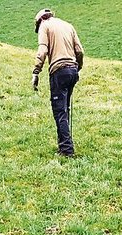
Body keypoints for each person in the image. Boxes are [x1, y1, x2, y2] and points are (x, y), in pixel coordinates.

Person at [30, 8, 84, 157]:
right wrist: (77, 67)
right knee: (65, 109)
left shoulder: (44, 26)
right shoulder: (68, 25)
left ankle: (66, 150)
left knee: (59, 111)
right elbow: (79, 51)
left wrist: (36, 72)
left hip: (59, 71)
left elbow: (42, 51)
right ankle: (64, 146)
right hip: (72, 70)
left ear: (40, 20)